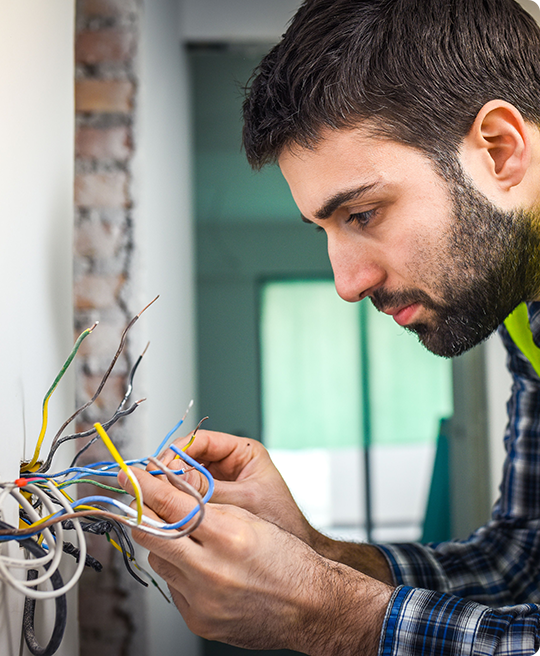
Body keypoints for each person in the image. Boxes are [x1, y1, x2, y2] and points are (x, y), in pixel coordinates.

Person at [118, 1, 540, 653]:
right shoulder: (526, 309)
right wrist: (314, 552)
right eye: (324, 229)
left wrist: (328, 613)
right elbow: (517, 561)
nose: (346, 284)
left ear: (499, 149)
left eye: (364, 214)